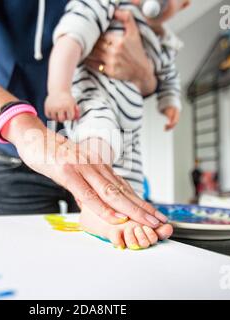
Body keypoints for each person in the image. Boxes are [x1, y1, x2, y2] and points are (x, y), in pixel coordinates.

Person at [0, 0, 172, 243]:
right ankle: (98, 209)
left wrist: (146, 77)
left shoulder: (146, 23)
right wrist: (20, 124)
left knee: (122, 162)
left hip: (112, 134)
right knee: (31, 264)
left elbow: (155, 77)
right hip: (22, 157)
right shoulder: (94, 6)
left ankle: (107, 210)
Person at [44, 0, 189, 249]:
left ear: (184, 5)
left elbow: (169, 77)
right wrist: (58, 89)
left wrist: (171, 102)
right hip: (93, 98)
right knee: (99, 140)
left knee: (129, 172)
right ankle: (93, 210)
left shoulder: (165, 42)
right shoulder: (107, 5)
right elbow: (71, 38)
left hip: (130, 118)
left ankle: (129, 213)